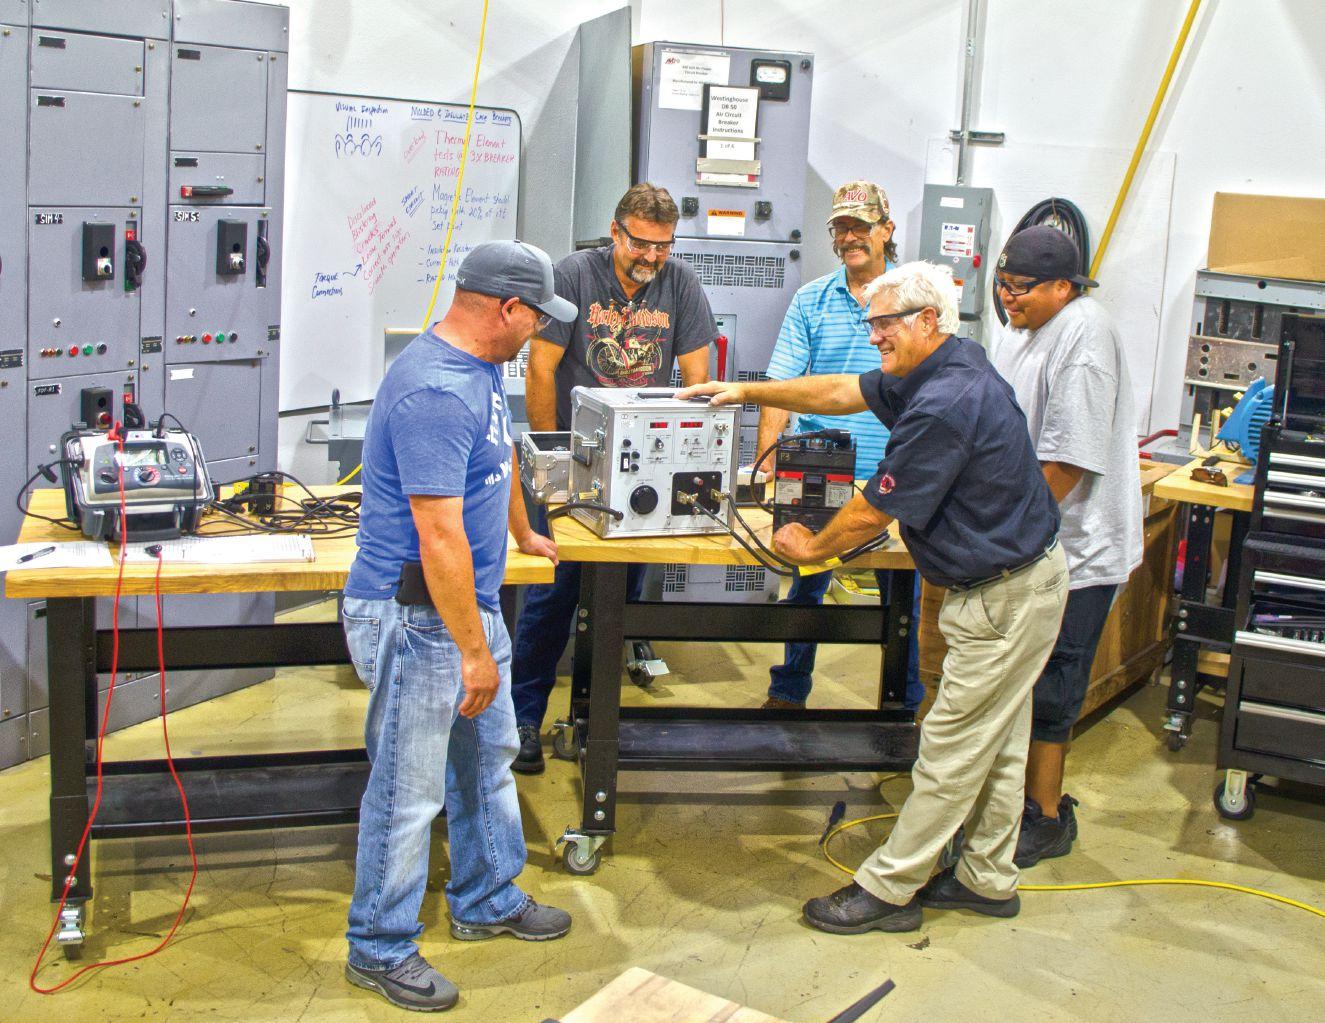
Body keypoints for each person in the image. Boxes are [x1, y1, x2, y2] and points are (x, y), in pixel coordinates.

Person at [679, 261, 1068, 934]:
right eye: (871, 323)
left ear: (927, 320)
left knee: (948, 748)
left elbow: (868, 512)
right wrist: (744, 388)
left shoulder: (945, 403)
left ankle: (889, 887)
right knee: (1000, 742)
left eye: (884, 323)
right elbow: (839, 389)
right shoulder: (942, 363)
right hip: (1014, 585)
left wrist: (808, 549)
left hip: (1005, 596)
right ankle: (985, 878)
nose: (873, 336)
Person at [340, 240, 575, 1011]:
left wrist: (522, 531)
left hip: (464, 608)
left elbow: (497, 458)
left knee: (486, 758)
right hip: (418, 616)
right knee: (407, 791)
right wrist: (474, 651)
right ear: (506, 308)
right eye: (537, 316)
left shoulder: (481, 367)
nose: (541, 330)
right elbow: (436, 534)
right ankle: (377, 946)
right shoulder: (434, 390)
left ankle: (487, 895)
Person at [509, 182, 717, 773]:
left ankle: (595, 717)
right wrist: (554, 457)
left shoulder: (681, 285)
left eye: (663, 246)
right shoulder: (574, 275)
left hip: (643, 469)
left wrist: (690, 457)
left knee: (622, 596)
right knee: (553, 593)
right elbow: (541, 370)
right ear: (616, 231)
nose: (651, 257)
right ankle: (523, 718)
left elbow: (698, 382)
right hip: (576, 464)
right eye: (641, 244)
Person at [989, 225, 1143, 867]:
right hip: (1033, 538)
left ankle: (1046, 817)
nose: (1007, 297)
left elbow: (1067, 462)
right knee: (1019, 681)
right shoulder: (1020, 328)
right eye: (1002, 284)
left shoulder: (1084, 335)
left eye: (1020, 287)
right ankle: (1011, 800)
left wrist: (1003, 534)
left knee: (1055, 683)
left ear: (1063, 286)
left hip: (1080, 547)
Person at [756, 180, 923, 712]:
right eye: (841, 228)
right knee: (806, 582)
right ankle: (789, 689)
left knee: (904, 597)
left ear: (886, 230)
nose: (850, 237)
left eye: (861, 226)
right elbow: (781, 385)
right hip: (820, 468)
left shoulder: (914, 299)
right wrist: (765, 465)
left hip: (893, 470)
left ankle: (902, 703)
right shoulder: (811, 299)